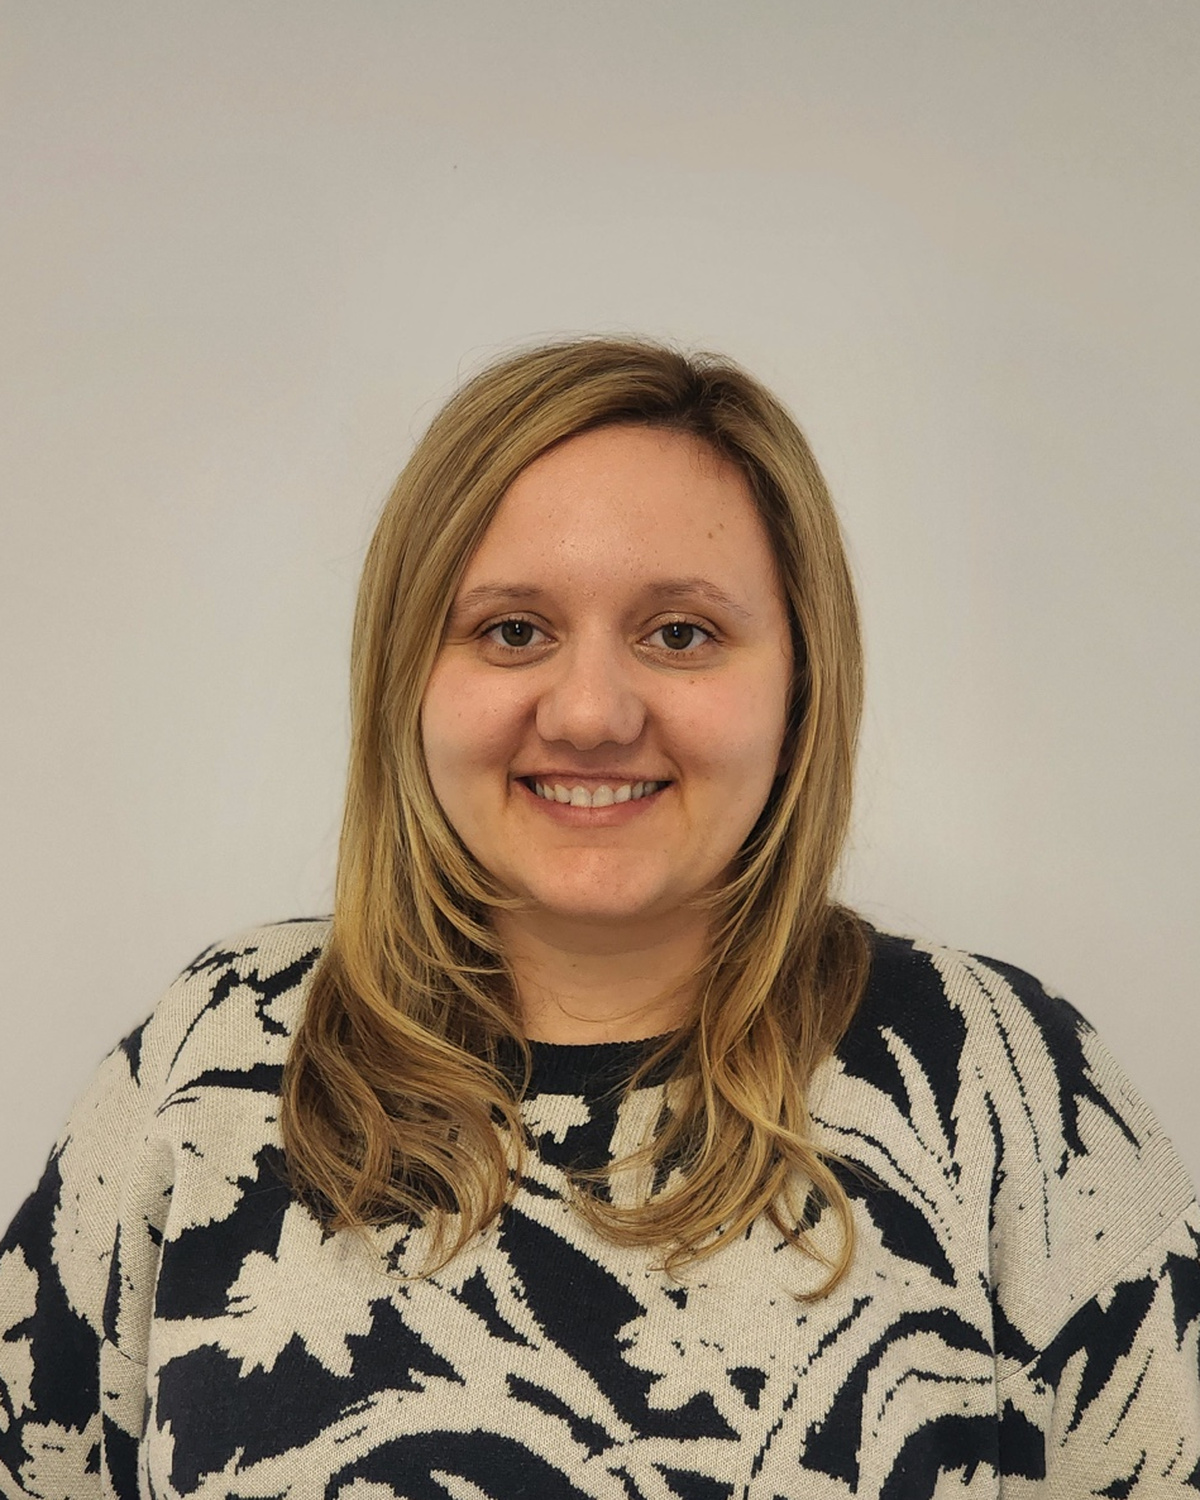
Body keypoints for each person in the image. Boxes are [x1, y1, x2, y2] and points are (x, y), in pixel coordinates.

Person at [1, 337, 1197, 1500]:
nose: (589, 715)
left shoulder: (998, 1084)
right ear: (409, 675)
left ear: (801, 685)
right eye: (512, 631)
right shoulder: (216, 1054)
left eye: (680, 634)